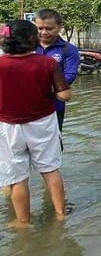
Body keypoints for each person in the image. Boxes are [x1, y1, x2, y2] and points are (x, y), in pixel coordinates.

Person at [0, 20, 71, 227]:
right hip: (43, 124)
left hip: (7, 127)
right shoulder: (47, 63)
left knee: (17, 178)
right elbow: (65, 95)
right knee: (50, 171)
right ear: (33, 39)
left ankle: (23, 222)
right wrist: (47, 93)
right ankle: (60, 215)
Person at [34, 9, 80, 132]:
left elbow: (70, 75)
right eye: (40, 28)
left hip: (54, 106)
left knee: (54, 144)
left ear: (59, 27)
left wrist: (45, 88)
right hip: (27, 107)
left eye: (49, 29)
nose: (43, 32)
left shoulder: (69, 50)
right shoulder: (26, 47)